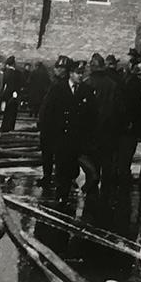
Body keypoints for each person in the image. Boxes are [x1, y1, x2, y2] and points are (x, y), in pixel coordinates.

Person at [74, 53, 123, 205]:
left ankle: (92, 193)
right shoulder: (113, 85)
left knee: (92, 162)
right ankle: (106, 195)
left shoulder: (87, 84)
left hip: (91, 130)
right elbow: (118, 109)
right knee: (107, 163)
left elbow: (79, 109)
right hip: (108, 130)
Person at [37, 55, 77, 191]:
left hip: (54, 127)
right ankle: (51, 177)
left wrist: (42, 123)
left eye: (60, 68)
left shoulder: (60, 87)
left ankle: (53, 178)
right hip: (53, 127)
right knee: (50, 155)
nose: (57, 70)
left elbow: (48, 107)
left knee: (53, 155)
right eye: (57, 67)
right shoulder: (56, 85)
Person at [113, 55, 141, 189]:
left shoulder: (118, 79)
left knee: (118, 154)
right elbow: (136, 105)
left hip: (119, 123)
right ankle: (123, 178)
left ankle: (118, 175)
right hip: (130, 124)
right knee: (126, 153)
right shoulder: (135, 82)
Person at [0, 56, 23, 132]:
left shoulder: (5, 73)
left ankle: (4, 126)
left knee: (6, 112)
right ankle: (10, 127)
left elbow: (4, 84)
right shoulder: (18, 73)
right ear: (14, 64)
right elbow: (19, 85)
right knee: (12, 112)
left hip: (6, 94)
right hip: (14, 95)